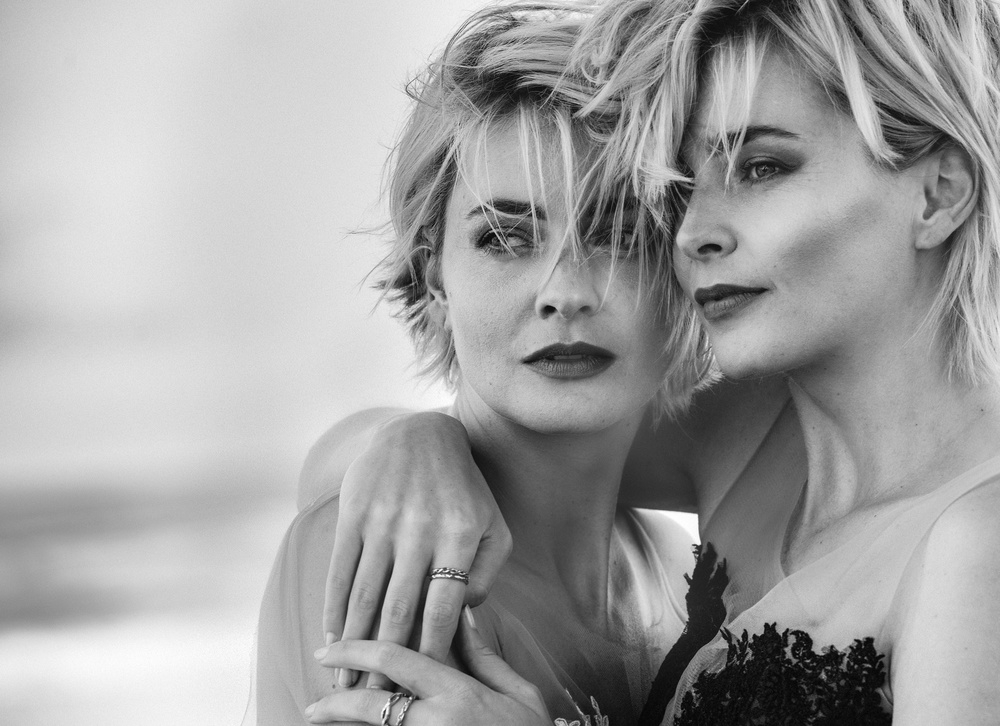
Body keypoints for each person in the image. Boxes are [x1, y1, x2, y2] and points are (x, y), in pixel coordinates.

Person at [304, 0, 1000, 723]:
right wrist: (415, 443)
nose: (692, 232)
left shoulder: (982, 542)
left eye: (762, 167)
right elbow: (493, 451)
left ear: (939, 194)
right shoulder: (754, 435)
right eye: (683, 186)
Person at [251, 3, 725, 724]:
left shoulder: (686, 574)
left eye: (621, 235)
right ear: (434, 277)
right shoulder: (387, 554)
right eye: (506, 239)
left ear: (686, 264)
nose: (566, 293)